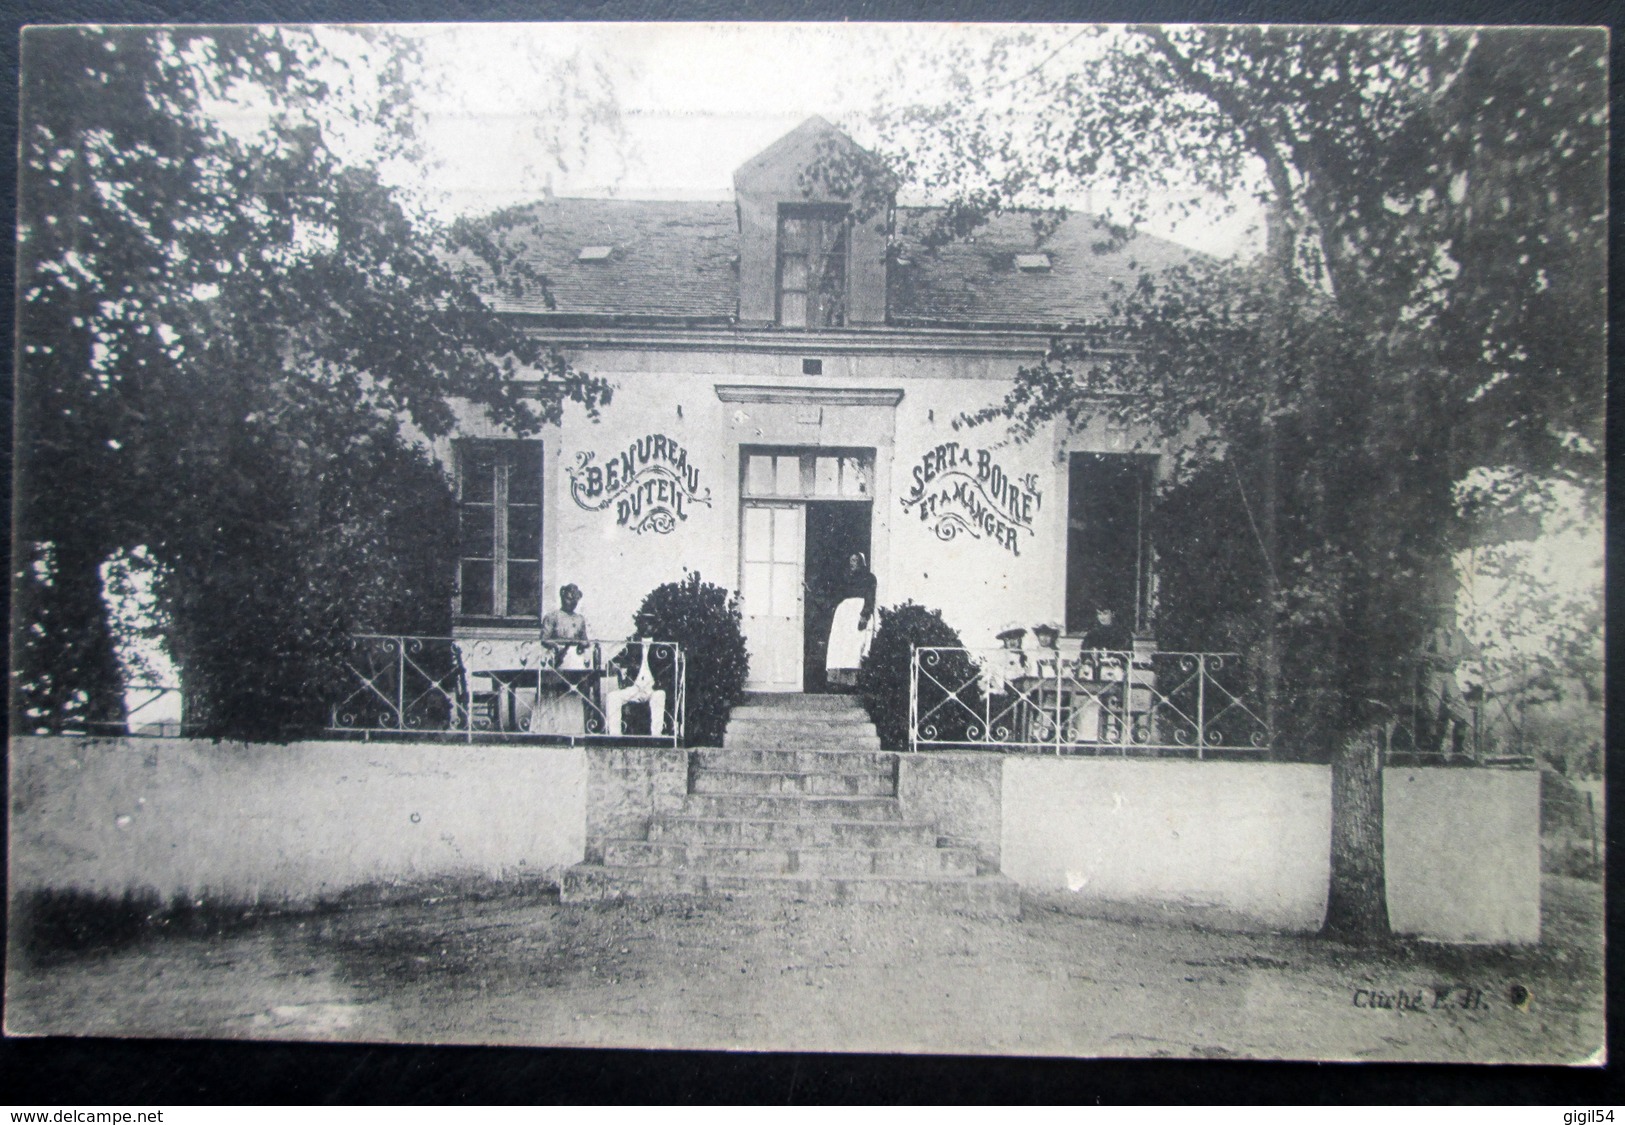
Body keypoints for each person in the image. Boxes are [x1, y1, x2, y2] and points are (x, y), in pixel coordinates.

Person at [531, 584, 591, 735]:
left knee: (572, 690)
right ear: (563, 597)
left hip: (574, 658)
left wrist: (582, 644)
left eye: (575, 600)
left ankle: (572, 728)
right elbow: (544, 639)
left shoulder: (580, 619)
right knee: (554, 691)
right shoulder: (552, 616)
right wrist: (557, 647)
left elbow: (584, 639)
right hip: (557, 657)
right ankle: (550, 728)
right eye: (568, 598)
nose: (571, 602)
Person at [606, 612, 672, 737]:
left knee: (660, 695)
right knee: (613, 697)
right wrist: (620, 669)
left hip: (652, 688)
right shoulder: (632, 645)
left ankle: (656, 736)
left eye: (649, 624)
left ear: (655, 627)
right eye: (643, 623)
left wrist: (659, 684)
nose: (646, 626)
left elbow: (667, 670)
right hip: (634, 687)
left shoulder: (662, 647)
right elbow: (616, 661)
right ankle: (615, 736)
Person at [1419, 614, 1472, 758]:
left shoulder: (1458, 635)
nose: (1450, 619)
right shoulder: (1433, 634)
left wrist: (1462, 656)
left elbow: (1473, 651)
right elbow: (1420, 652)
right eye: (1446, 615)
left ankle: (1458, 752)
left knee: (1462, 713)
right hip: (1435, 675)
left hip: (1450, 676)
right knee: (1432, 712)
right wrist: (1436, 657)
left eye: (1453, 615)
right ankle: (1433, 752)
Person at [824, 552, 876, 689]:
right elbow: (838, 594)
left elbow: (870, 598)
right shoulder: (846, 578)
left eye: (855, 560)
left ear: (861, 562)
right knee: (841, 645)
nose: (852, 563)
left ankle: (854, 682)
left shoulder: (869, 578)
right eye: (851, 560)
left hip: (858, 613)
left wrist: (865, 615)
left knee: (856, 646)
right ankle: (839, 682)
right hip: (844, 614)